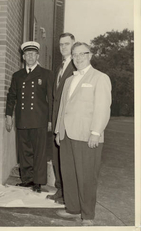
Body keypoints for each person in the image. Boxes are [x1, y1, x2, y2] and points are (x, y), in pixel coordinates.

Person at [55, 42, 112, 226]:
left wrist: (96, 132)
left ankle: (88, 215)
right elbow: (63, 108)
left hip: (87, 135)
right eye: (75, 54)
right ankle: (73, 209)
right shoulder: (69, 81)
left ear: (90, 55)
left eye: (82, 54)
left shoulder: (100, 78)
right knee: (69, 174)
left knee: (87, 176)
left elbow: (103, 108)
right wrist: (58, 131)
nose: (78, 58)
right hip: (66, 134)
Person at [5, 41, 54, 193]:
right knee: (24, 150)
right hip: (22, 118)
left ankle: (38, 181)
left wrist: (51, 119)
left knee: (39, 151)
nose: (30, 57)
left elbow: (51, 99)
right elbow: (11, 96)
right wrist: (8, 115)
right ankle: (27, 180)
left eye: (33, 54)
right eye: (27, 54)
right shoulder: (17, 76)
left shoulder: (46, 74)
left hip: (39, 119)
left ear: (37, 56)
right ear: (23, 57)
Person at [46, 33, 76, 204]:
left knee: (66, 159)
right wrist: (52, 119)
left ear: (73, 45)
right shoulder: (60, 66)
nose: (63, 47)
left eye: (67, 44)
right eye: (61, 44)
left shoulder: (76, 65)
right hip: (56, 119)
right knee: (56, 156)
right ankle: (60, 189)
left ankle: (68, 194)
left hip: (68, 120)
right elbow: (54, 97)